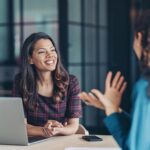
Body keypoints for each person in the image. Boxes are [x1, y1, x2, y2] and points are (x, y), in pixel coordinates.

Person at [79, 10, 150, 150]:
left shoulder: (146, 86)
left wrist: (111, 110)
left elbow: (135, 147)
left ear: (139, 37)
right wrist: (112, 109)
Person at [13, 32, 82, 137]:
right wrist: (44, 130)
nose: (50, 55)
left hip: (60, 140)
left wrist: (57, 130)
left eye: (53, 50)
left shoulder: (71, 82)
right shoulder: (20, 82)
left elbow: (73, 126)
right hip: (32, 142)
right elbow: (20, 126)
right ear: (30, 59)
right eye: (42, 52)